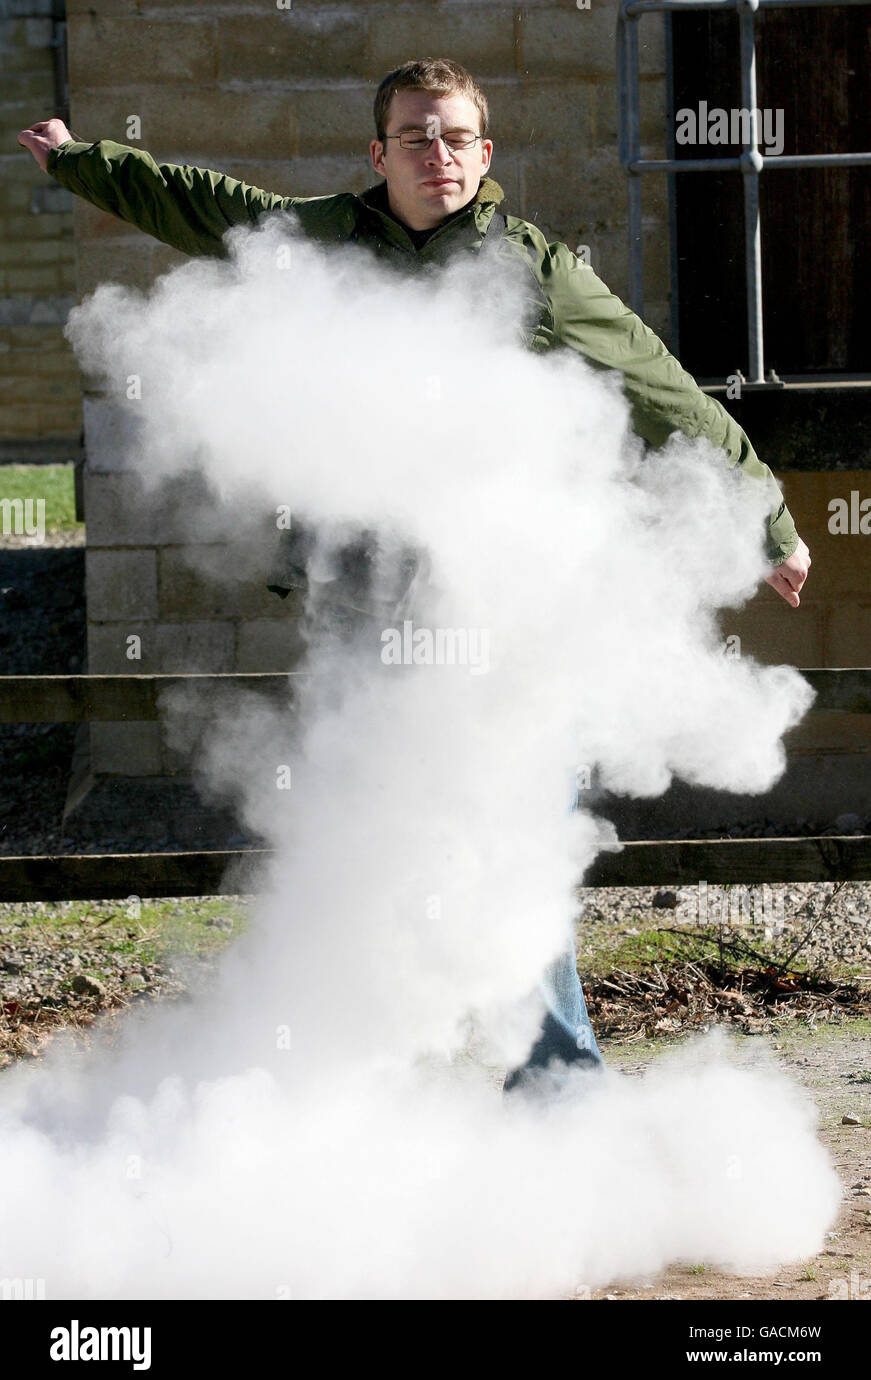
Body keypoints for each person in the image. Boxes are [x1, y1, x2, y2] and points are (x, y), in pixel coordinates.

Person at [19, 56, 811, 1091]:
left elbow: (662, 388)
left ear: (484, 153)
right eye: (412, 137)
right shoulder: (326, 239)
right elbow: (206, 210)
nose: (434, 155)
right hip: (368, 610)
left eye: (453, 138)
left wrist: (770, 520)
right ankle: (366, 1094)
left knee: (522, 834)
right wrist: (86, 164)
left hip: (512, 612)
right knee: (374, 838)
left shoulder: (536, 269)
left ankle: (558, 1087)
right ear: (377, 152)